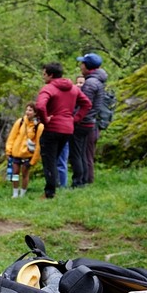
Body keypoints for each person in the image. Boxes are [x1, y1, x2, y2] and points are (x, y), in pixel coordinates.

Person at [35, 62, 92, 199]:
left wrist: (45, 120)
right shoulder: (73, 88)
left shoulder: (48, 88)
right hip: (67, 129)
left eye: (44, 74)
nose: (43, 77)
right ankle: (53, 187)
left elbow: (40, 106)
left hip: (52, 128)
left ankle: (50, 192)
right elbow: (87, 104)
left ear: (51, 75)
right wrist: (75, 118)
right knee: (54, 158)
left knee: (49, 160)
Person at [76, 53, 108, 184]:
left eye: (82, 63)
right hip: (93, 122)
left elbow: (86, 106)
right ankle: (86, 180)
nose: (80, 66)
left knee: (84, 154)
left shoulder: (90, 83)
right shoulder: (97, 81)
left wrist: (77, 120)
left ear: (87, 66)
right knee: (87, 153)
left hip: (87, 123)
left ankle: (85, 181)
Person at [5, 103, 43, 198]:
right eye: (27, 110)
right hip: (16, 153)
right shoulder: (20, 122)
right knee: (15, 173)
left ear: (35, 113)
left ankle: (22, 193)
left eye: (30, 110)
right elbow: (12, 137)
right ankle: (15, 193)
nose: (27, 112)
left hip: (28, 154)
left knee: (25, 174)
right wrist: (8, 151)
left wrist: (34, 160)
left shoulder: (39, 126)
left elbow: (38, 144)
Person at [56, 75, 83, 188]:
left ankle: (61, 184)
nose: (79, 85)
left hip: (61, 128)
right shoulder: (73, 94)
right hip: (67, 128)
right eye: (78, 82)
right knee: (61, 158)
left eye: (81, 83)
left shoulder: (68, 95)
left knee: (60, 158)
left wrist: (75, 119)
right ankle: (60, 183)